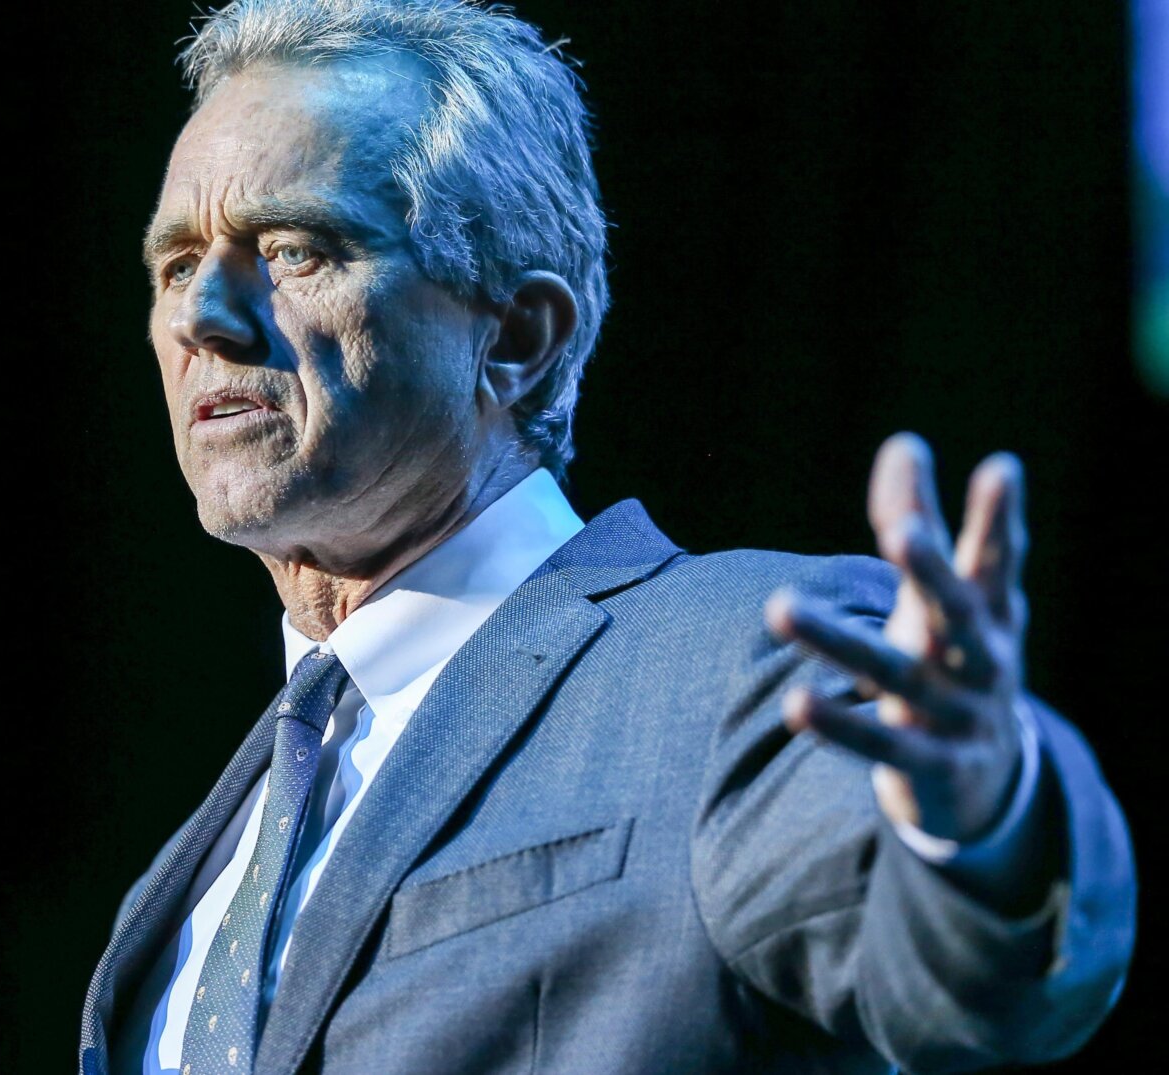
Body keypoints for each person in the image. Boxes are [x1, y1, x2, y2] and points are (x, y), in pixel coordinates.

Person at [78, 2, 1137, 1072]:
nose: (201, 315)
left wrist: (983, 821)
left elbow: (963, 972)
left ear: (517, 337)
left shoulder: (739, 664)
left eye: (294, 249)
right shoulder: (201, 869)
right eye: (176, 265)